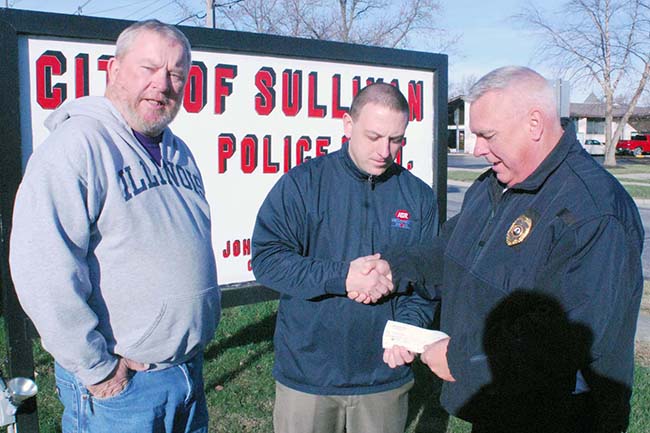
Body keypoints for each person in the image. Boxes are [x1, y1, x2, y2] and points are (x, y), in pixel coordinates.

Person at [10, 20, 220, 433]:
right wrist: (100, 372)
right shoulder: (77, 146)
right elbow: (42, 270)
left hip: (186, 375)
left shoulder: (178, 152)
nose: (163, 84)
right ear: (113, 70)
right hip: (124, 390)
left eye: (177, 73)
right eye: (149, 68)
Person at [421, 66, 644, 432]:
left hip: (559, 418)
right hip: (499, 406)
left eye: (487, 135)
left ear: (535, 124)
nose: (477, 149)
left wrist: (461, 361)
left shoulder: (594, 212)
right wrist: (389, 267)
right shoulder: (497, 185)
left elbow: (564, 340)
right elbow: (447, 250)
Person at [251, 82, 438, 433]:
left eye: (396, 139)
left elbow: (426, 280)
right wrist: (343, 276)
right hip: (309, 377)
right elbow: (268, 259)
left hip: (383, 378)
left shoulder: (418, 197)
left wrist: (408, 330)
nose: (385, 150)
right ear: (347, 125)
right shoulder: (303, 185)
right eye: (374, 136)